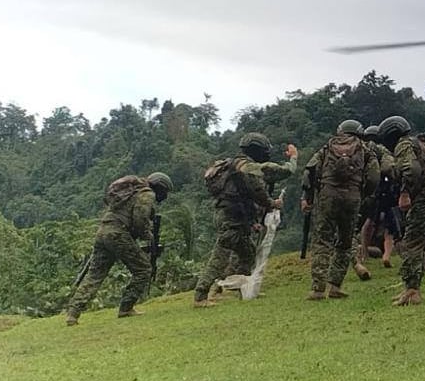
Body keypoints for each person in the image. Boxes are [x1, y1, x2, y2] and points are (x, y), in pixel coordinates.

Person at [194, 133, 297, 307]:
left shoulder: (234, 165)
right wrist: (293, 158)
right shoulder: (247, 168)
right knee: (221, 255)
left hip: (233, 216)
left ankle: (238, 287)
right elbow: (261, 191)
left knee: (247, 253)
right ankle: (201, 295)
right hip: (232, 218)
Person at [65, 172, 172, 325]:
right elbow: (140, 220)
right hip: (118, 233)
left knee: (95, 275)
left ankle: (73, 313)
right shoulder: (146, 194)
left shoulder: (129, 192)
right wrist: (148, 236)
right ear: (160, 187)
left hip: (103, 232)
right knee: (143, 269)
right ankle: (126, 307)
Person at [301, 120, 381, 300]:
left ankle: (317, 289)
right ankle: (335, 286)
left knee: (322, 241)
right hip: (352, 197)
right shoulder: (365, 150)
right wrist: (364, 192)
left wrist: (309, 197)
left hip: (328, 196)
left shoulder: (327, 147)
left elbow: (309, 172)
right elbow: (375, 176)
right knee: (345, 242)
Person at [379, 116, 425, 306]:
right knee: (423, 240)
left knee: (411, 242)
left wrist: (404, 192)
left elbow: (410, 168)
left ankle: (412, 290)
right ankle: (411, 285)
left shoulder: (404, 145)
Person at [359, 124, 398, 269]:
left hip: (368, 191)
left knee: (368, 222)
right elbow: (389, 168)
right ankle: (386, 255)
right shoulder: (383, 151)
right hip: (385, 189)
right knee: (390, 226)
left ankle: (364, 253)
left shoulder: (361, 149)